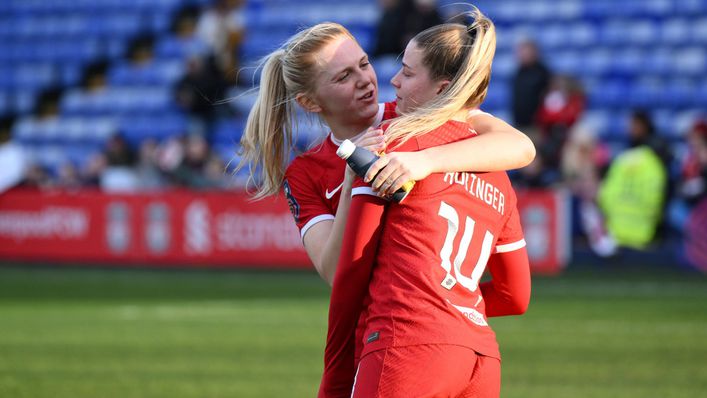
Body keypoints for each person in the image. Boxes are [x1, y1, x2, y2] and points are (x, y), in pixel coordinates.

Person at [321, 9, 530, 397]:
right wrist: (448, 305)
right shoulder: (497, 172)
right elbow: (516, 296)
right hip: (480, 358)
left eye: (408, 72)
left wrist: (332, 381)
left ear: (441, 87)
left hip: (406, 344)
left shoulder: (392, 145)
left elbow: (351, 274)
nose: (394, 81)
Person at [237, 21, 535, 285]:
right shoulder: (305, 172)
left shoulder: (417, 113)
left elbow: (520, 146)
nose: (365, 79)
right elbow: (333, 273)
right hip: (374, 333)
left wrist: (424, 162)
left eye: (364, 64)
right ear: (310, 102)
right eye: (343, 77)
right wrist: (352, 178)